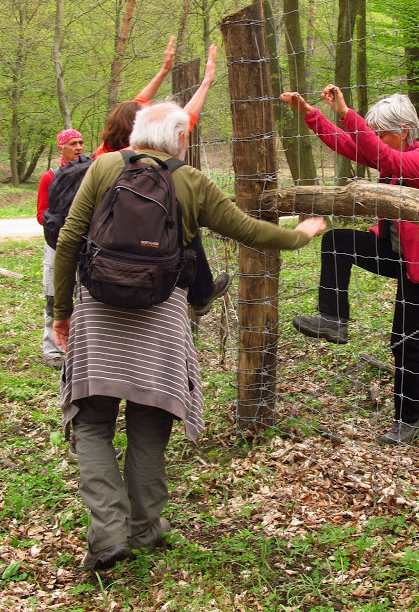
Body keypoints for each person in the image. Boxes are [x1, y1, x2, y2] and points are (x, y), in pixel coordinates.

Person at [52, 101, 326, 572]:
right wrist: (300, 235)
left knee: (93, 423)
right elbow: (248, 231)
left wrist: (61, 312)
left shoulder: (102, 167)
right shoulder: (192, 180)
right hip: (161, 318)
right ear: (180, 139)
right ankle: (145, 529)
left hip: (98, 312)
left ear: (136, 132)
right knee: (150, 424)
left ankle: (107, 534)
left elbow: (70, 240)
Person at [281, 86, 419, 446]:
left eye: (383, 133)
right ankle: (333, 319)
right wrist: (312, 113)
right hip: (393, 252)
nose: (377, 140)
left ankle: (409, 418)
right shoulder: (393, 158)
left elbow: (376, 152)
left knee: (404, 340)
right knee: (337, 242)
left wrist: (346, 112)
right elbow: (349, 146)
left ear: (403, 131)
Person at [95, 40, 231, 313]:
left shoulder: (104, 154)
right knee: (182, 217)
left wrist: (163, 70)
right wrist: (206, 83)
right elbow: (186, 117)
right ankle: (200, 291)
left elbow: (134, 106)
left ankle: (198, 290)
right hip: (141, 241)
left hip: (103, 243)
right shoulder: (143, 153)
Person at [36, 129, 85, 369]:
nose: (79, 147)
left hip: (86, 244)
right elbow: (40, 214)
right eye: (73, 144)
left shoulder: (91, 171)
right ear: (61, 148)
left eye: (81, 143)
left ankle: (81, 348)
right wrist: (61, 227)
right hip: (56, 245)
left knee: (86, 295)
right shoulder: (50, 176)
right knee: (54, 296)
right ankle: (53, 350)